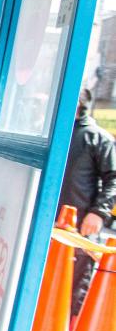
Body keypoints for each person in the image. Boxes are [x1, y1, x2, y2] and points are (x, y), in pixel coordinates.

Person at [58, 87, 116, 319]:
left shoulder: (98, 138)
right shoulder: (56, 134)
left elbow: (114, 178)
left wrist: (98, 213)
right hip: (49, 224)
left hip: (79, 228)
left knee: (72, 285)